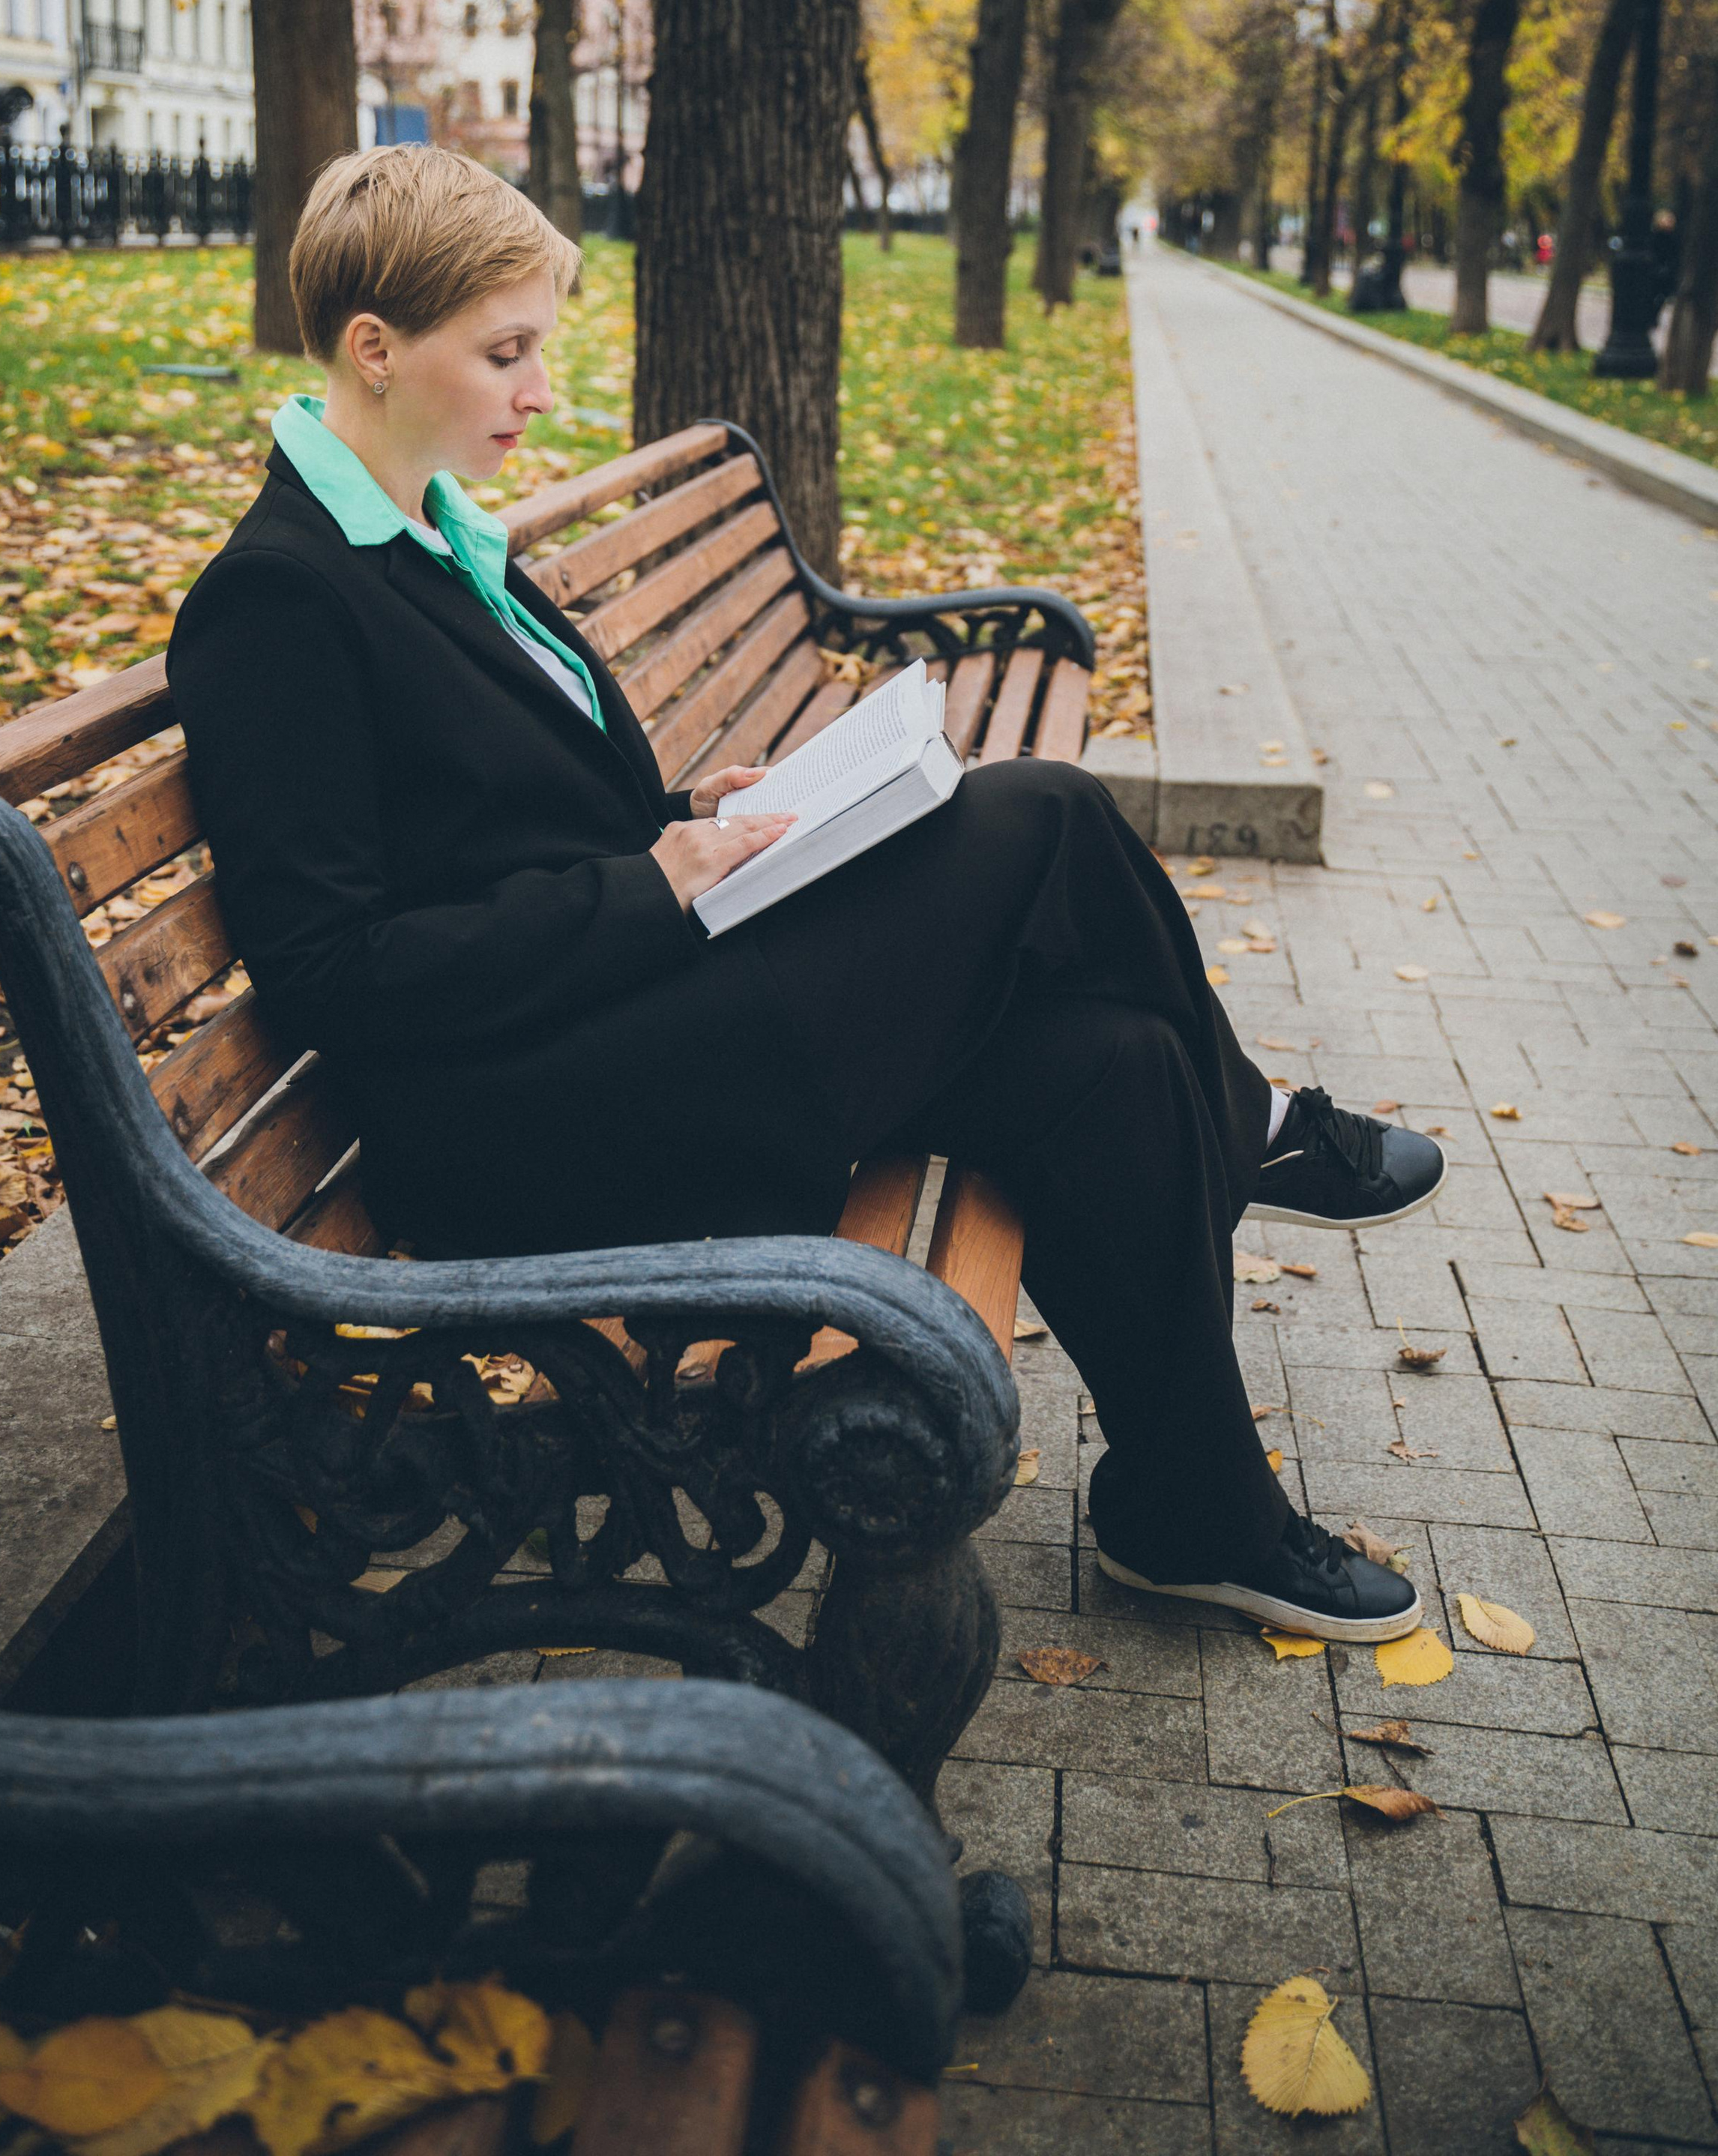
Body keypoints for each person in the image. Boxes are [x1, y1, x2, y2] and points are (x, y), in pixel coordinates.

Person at [169, 145, 1447, 1646]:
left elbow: (502, 827)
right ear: (374, 350)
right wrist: (648, 884)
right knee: (1043, 813)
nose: (533, 389)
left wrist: (698, 822)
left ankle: (1190, 1514)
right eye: (502, 351)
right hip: (527, 1123)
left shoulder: (440, 539)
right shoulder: (281, 595)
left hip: (626, 1020)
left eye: (538, 350)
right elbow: (335, 963)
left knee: (1110, 1059)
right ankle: (1262, 1132)